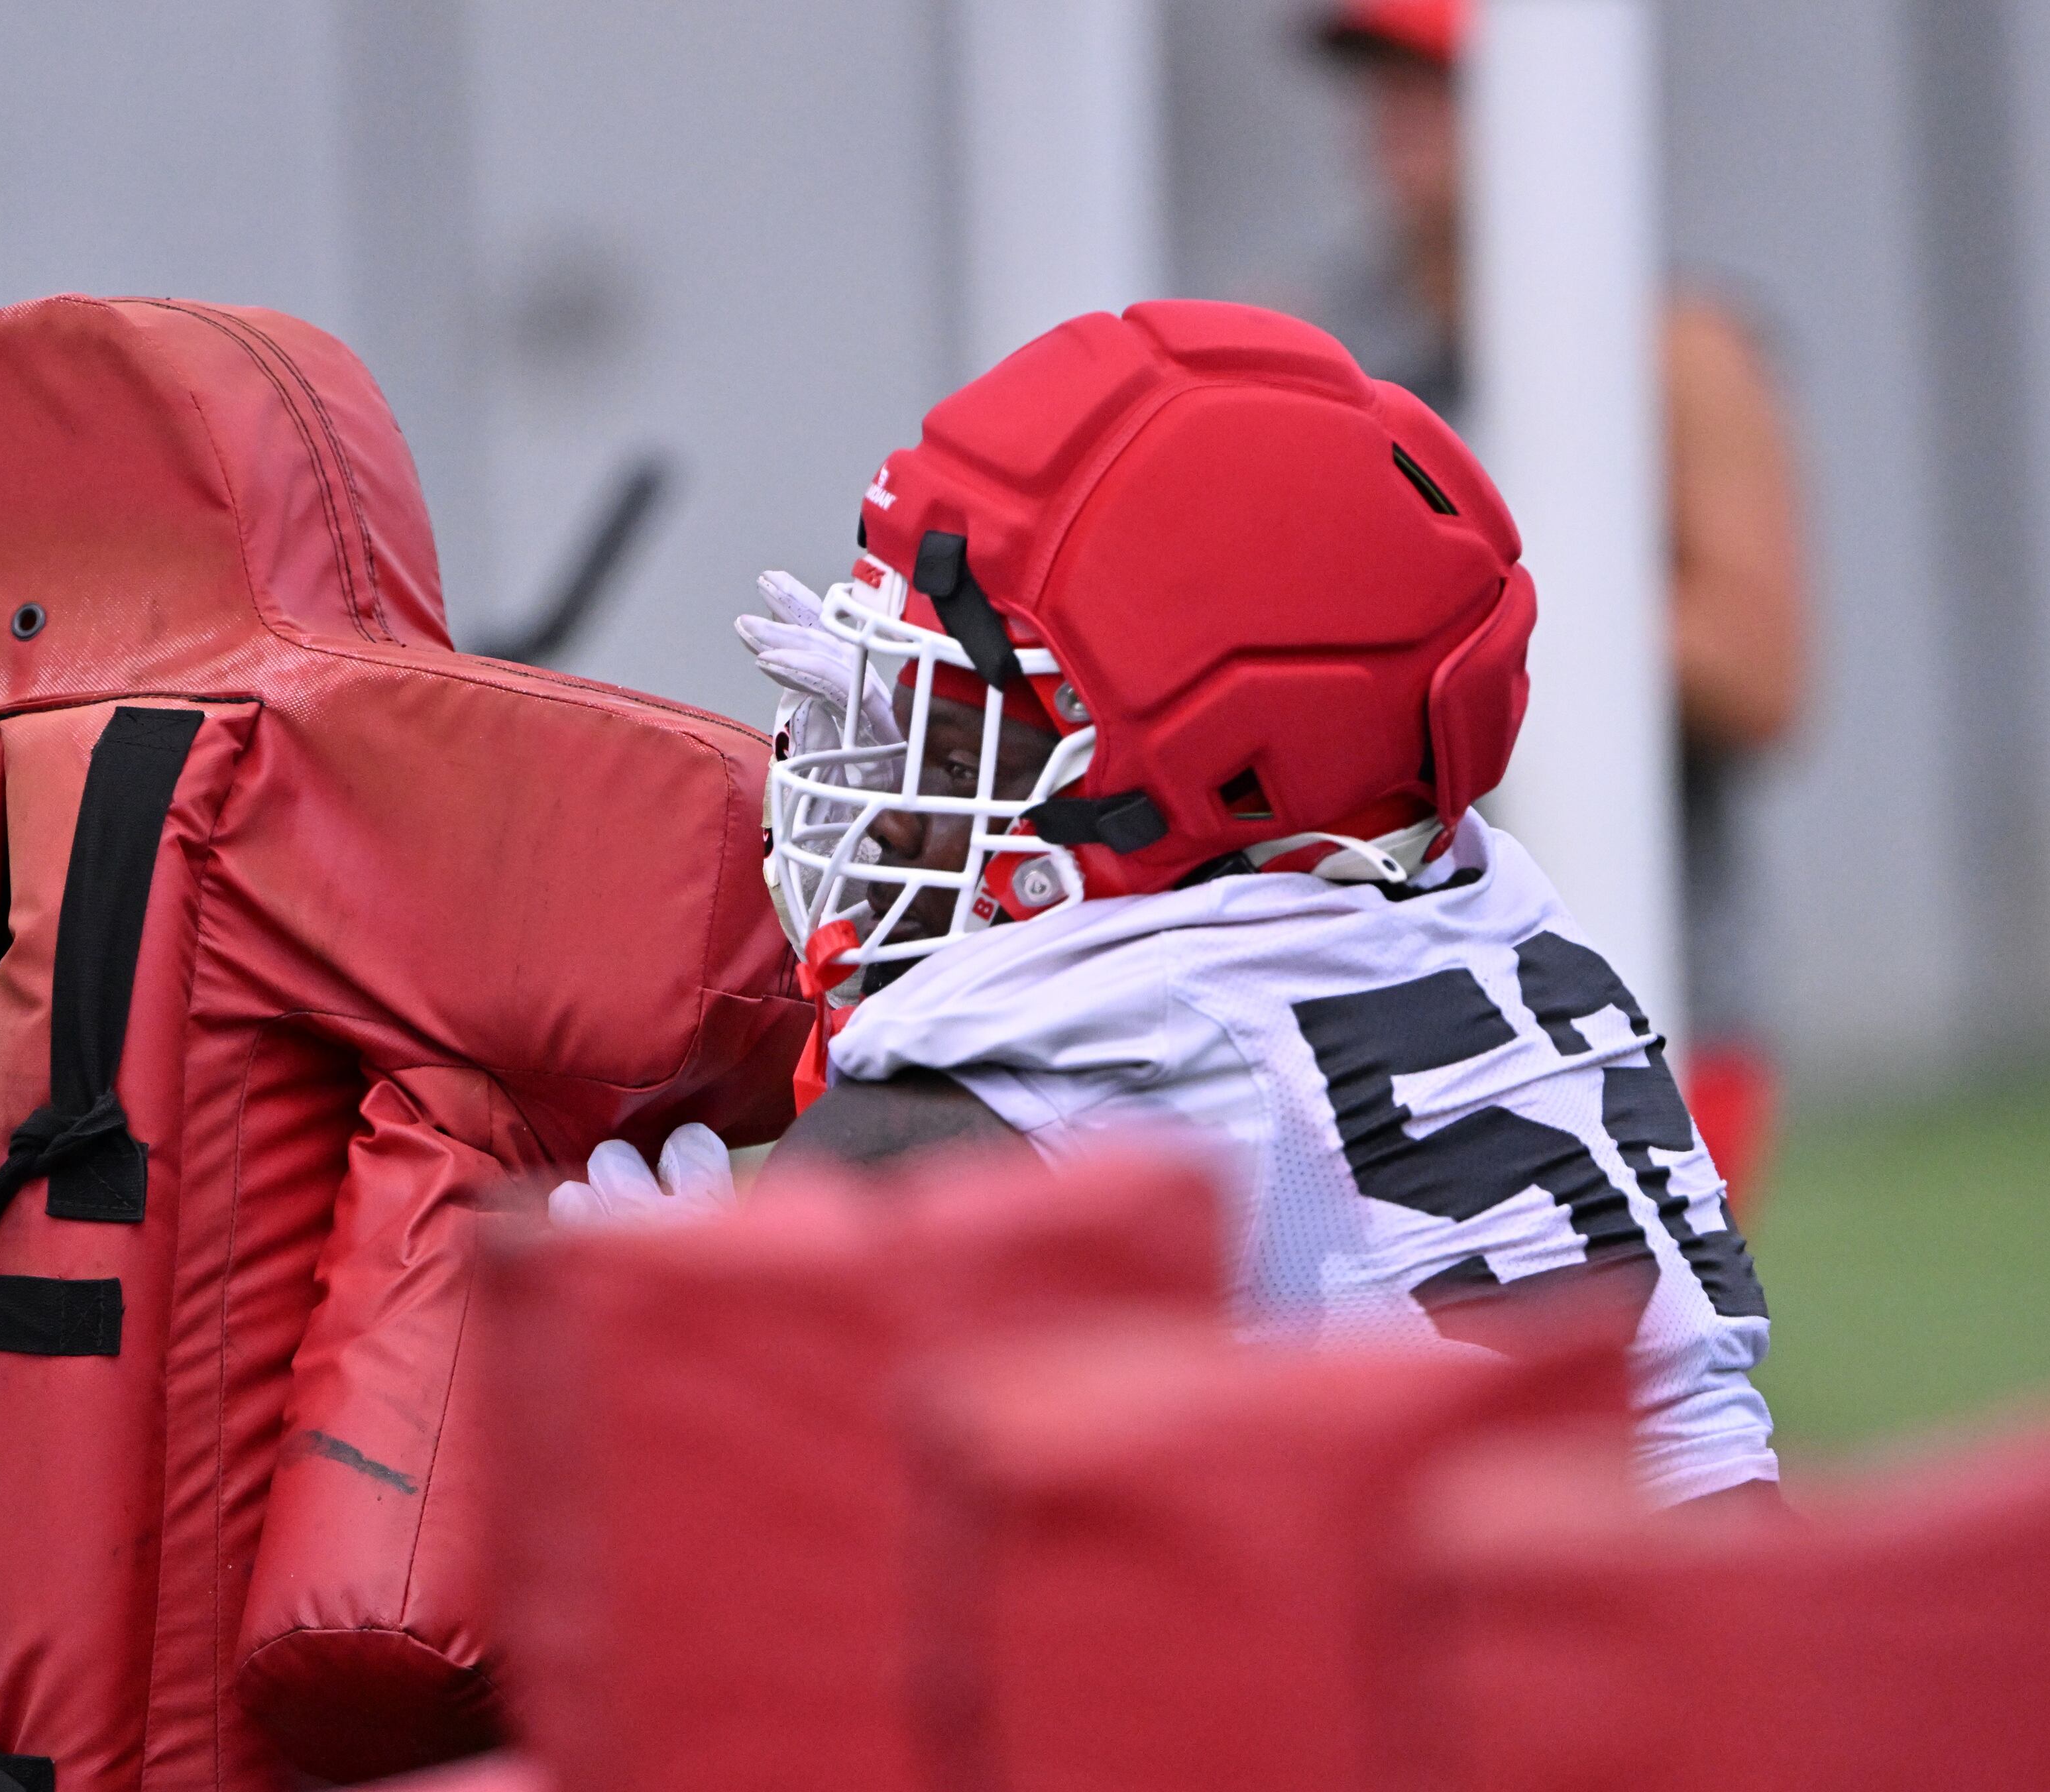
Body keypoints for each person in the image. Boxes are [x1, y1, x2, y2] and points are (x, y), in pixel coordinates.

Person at [556, 300, 1780, 1514]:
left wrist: (693, 1362)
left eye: (956, 737)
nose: (885, 814)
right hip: (1725, 1640)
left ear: (1215, 772)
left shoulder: (968, 1112)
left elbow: (776, 1628)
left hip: (1472, 1695)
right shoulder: (1517, 932)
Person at [1316, 0, 1810, 1207]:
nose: (1399, 119)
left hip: (1646, 977)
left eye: (1437, 83)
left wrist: (1457, 608)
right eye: (1384, 82)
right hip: (1392, 979)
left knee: (1628, 1383)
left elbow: (1759, 671)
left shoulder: (1674, 346)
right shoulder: (1339, 349)